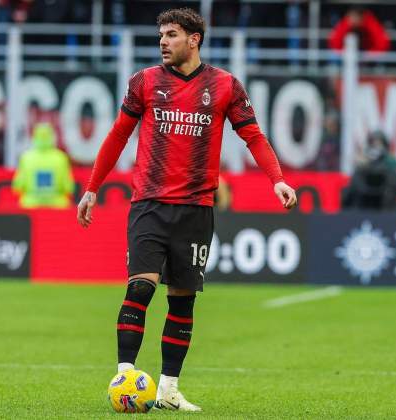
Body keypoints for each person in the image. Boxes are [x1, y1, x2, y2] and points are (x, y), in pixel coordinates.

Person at [76, 8, 297, 412]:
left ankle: (168, 390)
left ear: (194, 39)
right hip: (149, 203)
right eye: (161, 34)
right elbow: (117, 136)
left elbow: (253, 136)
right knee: (140, 286)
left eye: (172, 34)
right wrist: (92, 188)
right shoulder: (144, 82)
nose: (163, 41)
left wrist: (277, 178)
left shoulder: (225, 85)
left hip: (196, 208)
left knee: (182, 300)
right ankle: (125, 375)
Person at [12, 122, 74, 208]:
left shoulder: (26, 157)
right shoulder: (61, 157)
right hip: (57, 206)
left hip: (30, 204)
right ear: (52, 137)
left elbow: (18, 186)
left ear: (34, 137)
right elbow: (69, 187)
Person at [342, 130, 396, 210]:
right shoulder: (363, 162)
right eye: (373, 143)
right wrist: (364, 165)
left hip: (384, 200)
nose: (376, 146)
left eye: (379, 143)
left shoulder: (391, 161)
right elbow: (355, 184)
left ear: (385, 144)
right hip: (364, 198)